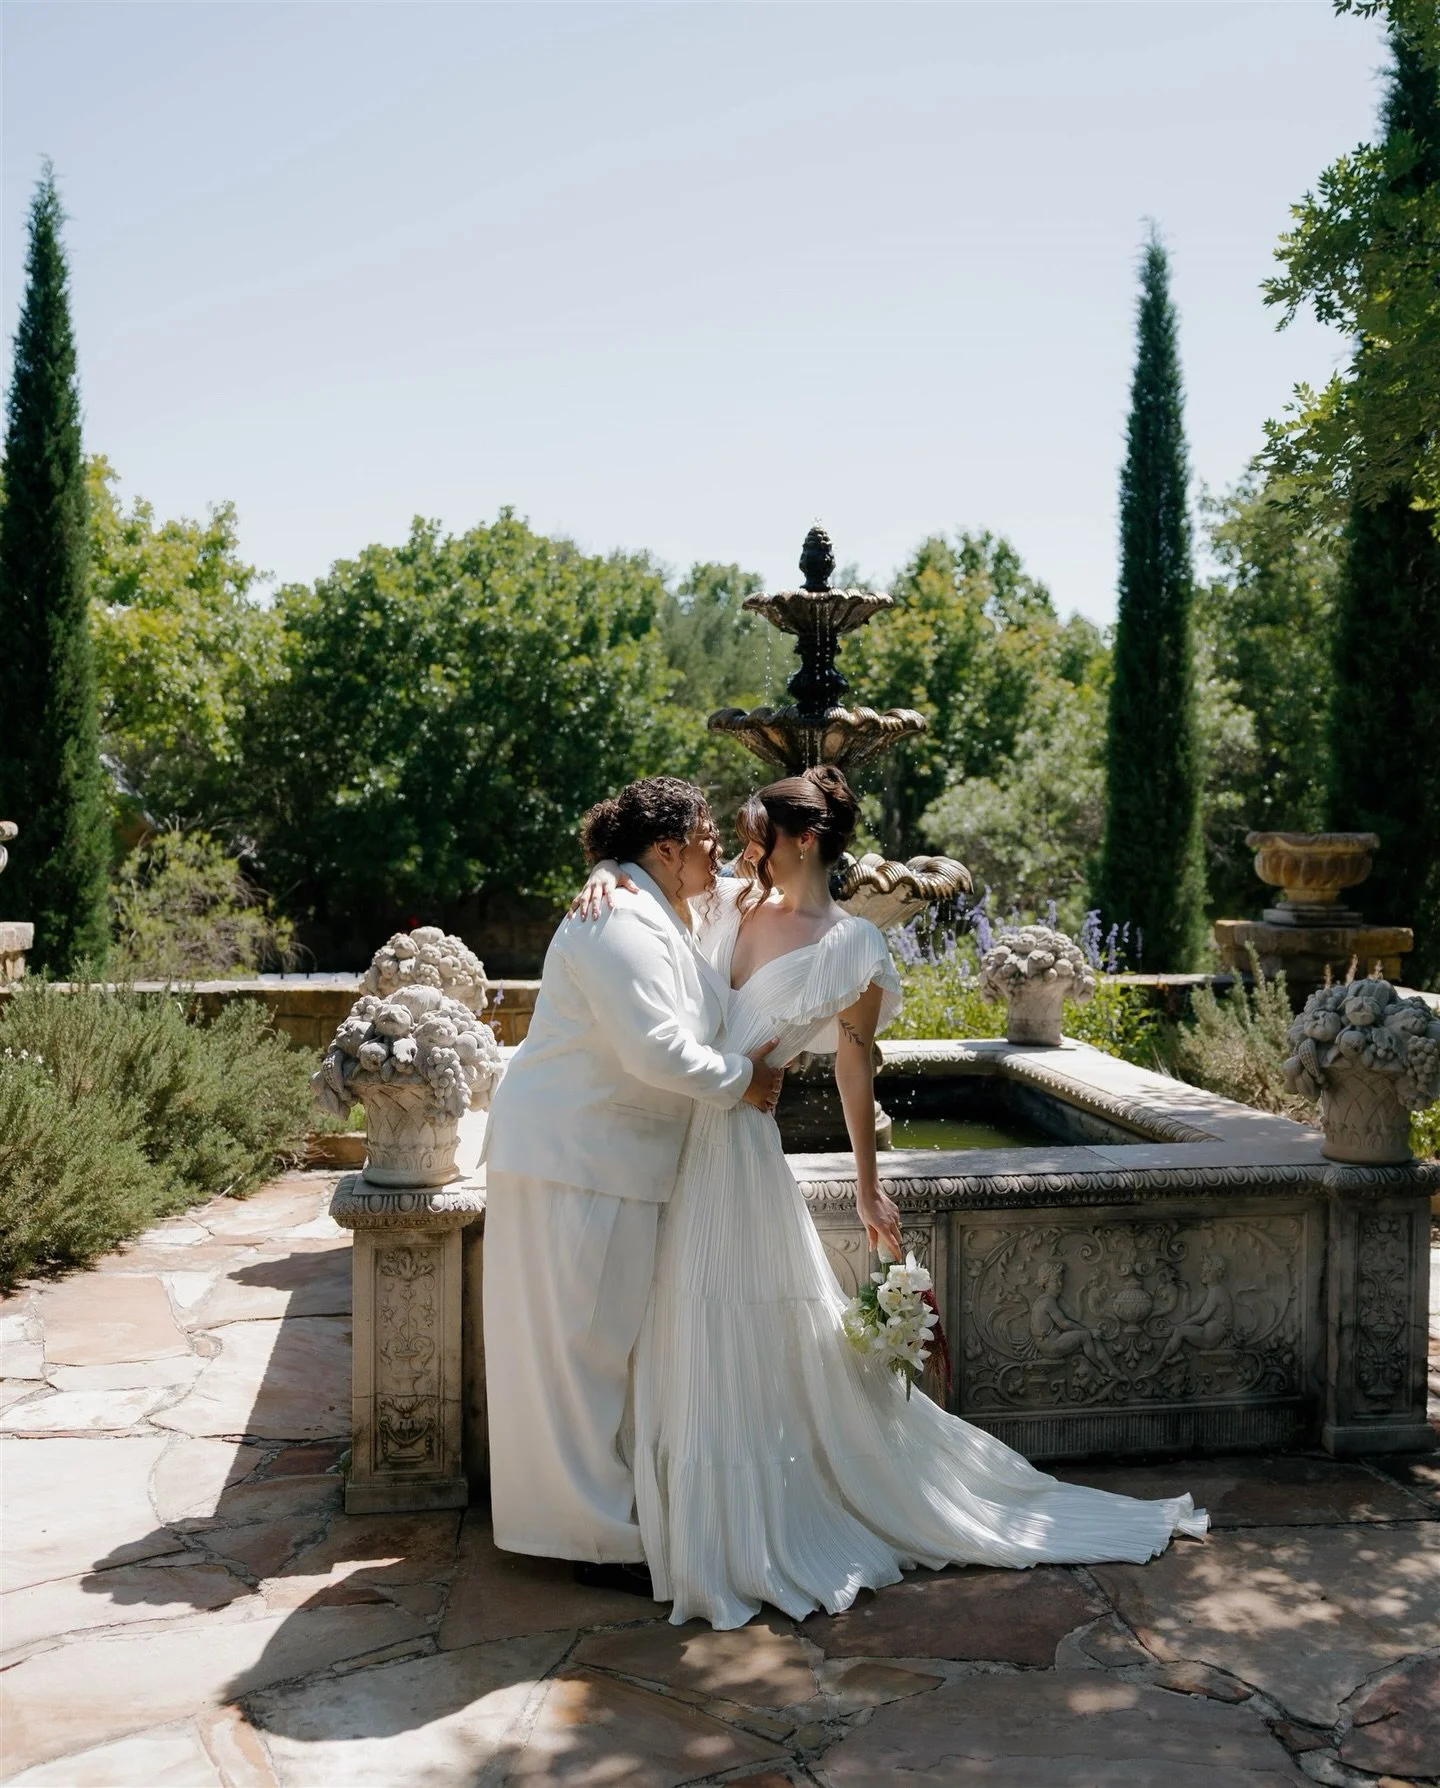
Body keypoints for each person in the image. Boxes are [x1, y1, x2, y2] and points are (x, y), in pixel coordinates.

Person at [578, 764, 1206, 1629]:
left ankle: (741, 1529)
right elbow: (647, 875)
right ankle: (666, 1515)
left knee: (722, 1311)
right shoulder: (732, 902)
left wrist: (870, 1189)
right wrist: (604, 876)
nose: (743, 845)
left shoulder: (852, 946)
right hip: (681, 1129)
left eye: (758, 831)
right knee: (676, 1315)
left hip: (737, 1149)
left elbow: (851, 1059)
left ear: (803, 839)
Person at [481, 776, 784, 1588]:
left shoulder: (651, 898)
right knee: (578, 1352)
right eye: (708, 837)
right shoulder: (616, 914)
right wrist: (742, 1082)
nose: (717, 850)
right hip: (574, 1157)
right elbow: (655, 1051)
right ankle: (594, 1539)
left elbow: (751, 886)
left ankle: (587, 1524)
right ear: (666, 849)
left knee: (592, 1348)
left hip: (599, 1157)